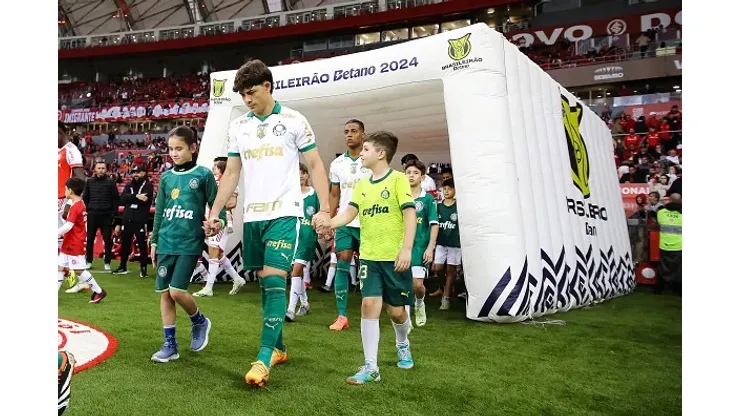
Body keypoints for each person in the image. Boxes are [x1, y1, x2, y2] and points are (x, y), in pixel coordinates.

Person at [204, 59, 331, 387]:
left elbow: (315, 164)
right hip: (254, 217)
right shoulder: (239, 127)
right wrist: (216, 212)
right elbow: (232, 173)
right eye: (243, 95)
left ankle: (262, 359)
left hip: (286, 213)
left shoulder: (293, 121)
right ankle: (278, 348)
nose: (247, 99)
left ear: (268, 86)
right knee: (264, 281)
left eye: (251, 92)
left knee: (275, 278)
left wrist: (326, 208)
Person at [324, 131, 416, 385]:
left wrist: (406, 249)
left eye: (365, 149)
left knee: (396, 312)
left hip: (394, 258)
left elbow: (409, 215)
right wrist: (329, 224)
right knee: (368, 305)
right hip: (370, 257)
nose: (361, 154)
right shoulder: (362, 184)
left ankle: (402, 342)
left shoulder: (398, 180)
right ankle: (371, 366)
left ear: (380, 153)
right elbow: (348, 214)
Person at [149, 126, 224, 363]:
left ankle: (199, 321)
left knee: (176, 291)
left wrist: (218, 222)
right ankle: (170, 345)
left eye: (179, 148)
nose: (174, 153)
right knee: (165, 294)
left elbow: (216, 205)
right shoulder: (166, 177)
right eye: (171, 149)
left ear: (193, 148)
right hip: (165, 241)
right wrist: (154, 241)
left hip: (189, 242)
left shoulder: (203, 175)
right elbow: (160, 210)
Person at [326, 119, 371, 331]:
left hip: (369, 221)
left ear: (363, 134)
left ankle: (372, 310)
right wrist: (329, 219)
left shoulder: (371, 161)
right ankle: (342, 315)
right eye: (346, 131)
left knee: (371, 266)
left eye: (354, 131)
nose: (349, 134)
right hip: (344, 221)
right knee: (342, 260)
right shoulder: (337, 164)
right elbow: (334, 194)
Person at [192, 158, 247, 297]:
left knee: (213, 250)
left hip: (220, 221)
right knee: (218, 253)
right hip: (211, 219)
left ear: (221, 169)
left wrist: (218, 205)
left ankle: (209, 287)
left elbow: (232, 203)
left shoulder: (229, 183)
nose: (212, 170)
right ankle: (237, 278)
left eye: (215, 167)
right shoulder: (212, 181)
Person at [58, 177, 107, 303]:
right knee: (60, 267)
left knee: (78, 270)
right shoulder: (79, 204)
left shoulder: (76, 207)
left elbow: (69, 225)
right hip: (70, 241)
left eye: (65, 189)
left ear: (70, 191)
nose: (64, 191)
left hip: (74, 243)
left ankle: (98, 291)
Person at [404, 159, 439, 327]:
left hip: (419, 247)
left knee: (417, 285)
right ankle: (407, 319)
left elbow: (434, 225)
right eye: (409, 172)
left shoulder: (428, 200)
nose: (411, 176)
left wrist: (430, 247)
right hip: (402, 247)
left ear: (422, 177)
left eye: (415, 173)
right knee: (404, 284)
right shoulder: (400, 197)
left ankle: (419, 303)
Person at [286, 163, 320, 322]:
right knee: (296, 271)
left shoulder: (315, 194)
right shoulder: (289, 194)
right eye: (296, 173)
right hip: (292, 237)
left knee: (296, 270)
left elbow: (320, 215)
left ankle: (290, 310)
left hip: (306, 238)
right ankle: (305, 303)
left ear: (307, 175)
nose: (300, 176)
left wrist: (322, 231)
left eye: (303, 173)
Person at [112, 164, 154, 277]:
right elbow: (123, 198)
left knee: (141, 244)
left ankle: (143, 268)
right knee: (125, 243)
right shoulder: (129, 184)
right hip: (127, 218)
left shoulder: (148, 185)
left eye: (138, 172)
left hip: (140, 219)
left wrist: (131, 197)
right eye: (134, 172)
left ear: (144, 173)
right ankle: (122, 266)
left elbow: (144, 199)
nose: (135, 174)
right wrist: (136, 196)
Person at [83, 160, 120, 271]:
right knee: (90, 239)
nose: (101, 170)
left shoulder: (111, 182)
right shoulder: (89, 182)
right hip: (92, 214)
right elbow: (85, 197)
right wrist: (89, 209)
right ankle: (89, 261)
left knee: (107, 240)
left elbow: (115, 199)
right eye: (99, 168)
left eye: (103, 168)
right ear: (95, 169)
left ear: (106, 169)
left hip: (106, 215)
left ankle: (107, 262)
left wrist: (113, 214)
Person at [435, 178, 461, 310]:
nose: (446, 191)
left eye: (449, 188)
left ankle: (446, 298)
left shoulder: (459, 206)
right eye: (444, 188)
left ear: (455, 190)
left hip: (455, 243)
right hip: (441, 242)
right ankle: (444, 287)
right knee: (437, 268)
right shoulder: (438, 206)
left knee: (451, 270)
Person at [655, 193, 681, 295]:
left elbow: (659, 221)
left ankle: (659, 289)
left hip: (664, 245)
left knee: (663, 268)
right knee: (679, 270)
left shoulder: (661, 213)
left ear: (669, 200)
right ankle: (678, 290)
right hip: (679, 246)